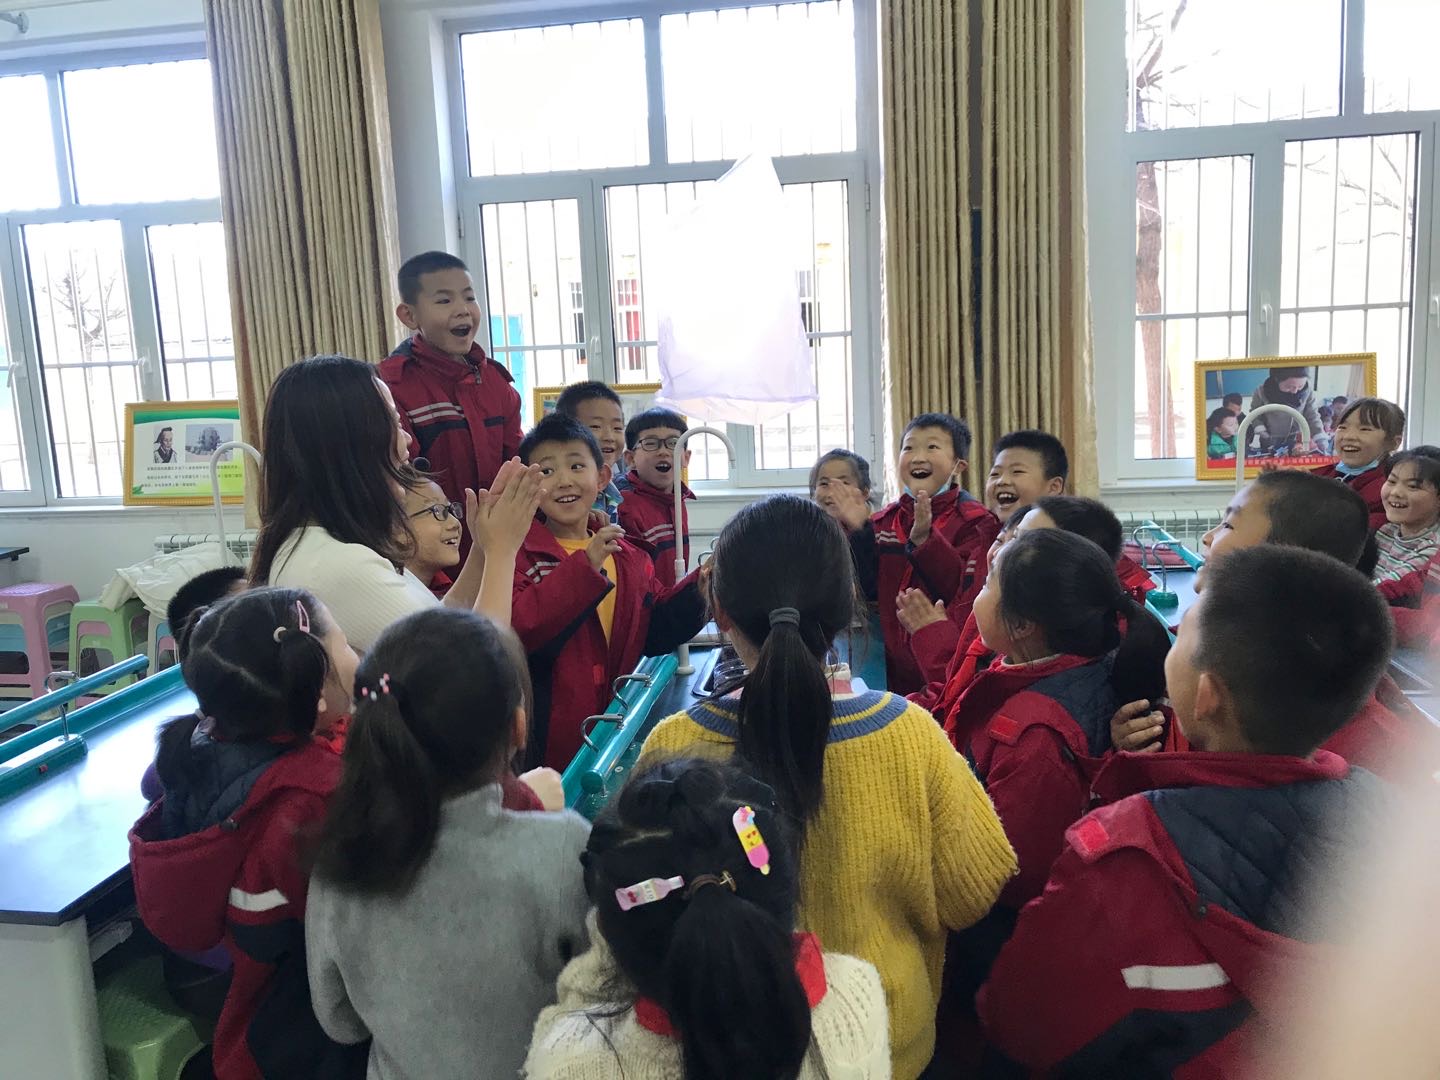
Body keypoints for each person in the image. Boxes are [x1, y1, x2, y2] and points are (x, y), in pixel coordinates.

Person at [978, 546, 1394, 1076]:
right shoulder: (1399, 821)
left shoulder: (1126, 855)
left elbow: (1020, 1020)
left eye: (1184, 639)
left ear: (1205, 695)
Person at [640, 495, 1017, 1080]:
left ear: (720, 611)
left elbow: (641, 913)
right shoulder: (910, 734)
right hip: (885, 1045)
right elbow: (975, 891)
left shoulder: (674, 744)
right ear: (846, 610)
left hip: (731, 1051)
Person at [306, 608, 590, 1080]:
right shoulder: (560, 846)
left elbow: (341, 1023)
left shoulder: (337, 861)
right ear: (518, 727)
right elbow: (599, 991)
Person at [524, 758, 891, 1080]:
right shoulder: (857, 996)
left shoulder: (568, 1063)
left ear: (614, 938)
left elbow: (566, 1027)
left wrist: (604, 943)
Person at [128, 588, 363, 1079]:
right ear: (314, 679)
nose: (357, 655)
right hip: (313, 1036)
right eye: (345, 644)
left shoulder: (205, 744)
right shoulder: (315, 800)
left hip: (250, 1003)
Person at [1113, 470, 1437, 782]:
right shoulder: (1206, 647)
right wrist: (1132, 748)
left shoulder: (1358, 740)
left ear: (1288, 556)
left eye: (1228, 524)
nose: (1207, 537)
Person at [250, 354, 540, 651]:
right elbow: (475, 663)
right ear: (352, 444)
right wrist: (503, 549)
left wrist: (482, 547)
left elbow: (439, 622)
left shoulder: (326, 546)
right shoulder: (337, 564)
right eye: (394, 423)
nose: (407, 440)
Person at [947, 528, 1171, 909]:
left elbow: (1010, 873)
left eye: (987, 584)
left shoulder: (1035, 741)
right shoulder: (1060, 661)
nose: (979, 594)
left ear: (1022, 625)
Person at [513, 415, 706, 768]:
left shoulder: (627, 555)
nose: (564, 481)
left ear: (602, 477)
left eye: (576, 466)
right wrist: (586, 565)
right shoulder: (519, 555)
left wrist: (705, 583)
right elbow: (523, 630)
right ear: (528, 483)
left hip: (617, 732)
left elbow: (655, 628)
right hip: (548, 745)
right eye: (547, 471)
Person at [837, 413, 1001, 695]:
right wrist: (858, 530)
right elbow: (866, 587)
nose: (918, 457)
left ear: (958, 465)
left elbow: (963, 591)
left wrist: (926, 541)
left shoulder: (976, 523)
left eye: (932, 447)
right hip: (894, 665)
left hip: (946, 659)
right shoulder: (885, 521)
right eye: (909, 447)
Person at [379, 251, 523, 560]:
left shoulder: (496, 382)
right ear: (409, 316)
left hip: (502, 551)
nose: (463, 310)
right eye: (444, 301)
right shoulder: (392, 387)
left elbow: (519, 463)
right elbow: (401, 483)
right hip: (428, 558)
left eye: (469, 298)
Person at [616, 408, 693, 589]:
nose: (663, 452)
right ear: (630, 458)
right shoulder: (624, 506)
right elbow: (637, 582)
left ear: (686, 457)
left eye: (673, 443)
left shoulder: (677, 498)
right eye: (650, 443)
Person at [1311, 396, 1406, 530]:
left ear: (1393, 443)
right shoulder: (1319, 475)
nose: (1348, 436)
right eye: (1342, 427)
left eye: (1364, 429)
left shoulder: (1391, 492)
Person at [555, 381, 628, 523]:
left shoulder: (614, 492)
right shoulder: (562, 491)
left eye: (617, 428)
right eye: (595, 426)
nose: (609, 437)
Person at [1372, 447, 1440, 591]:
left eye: (1413, 486)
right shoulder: (1386, 531)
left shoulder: (1433, 549)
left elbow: (1384, 589)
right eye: (1392, 481)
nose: (1396, 492)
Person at [984, 429, 1068, 524]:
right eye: (995, 474)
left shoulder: (1070, 531)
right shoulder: (979, 529)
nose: (1002, 481)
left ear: (1054, 487)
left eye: (1017, 471)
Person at [401, 476, 463, 600]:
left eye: (449, 510)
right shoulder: (393, 594)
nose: (455, 523)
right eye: (436, 511)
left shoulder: (443, 586)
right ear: (397, 528)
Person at [1248, 366, 1323, 455]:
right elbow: (1254, 414)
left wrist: (1319, 436)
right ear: (1277, 380)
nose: (1295, 391)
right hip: (1270, 439)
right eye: (1289, 387)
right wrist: (1261, 430)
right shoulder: (1262, 392)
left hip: (1297, 440)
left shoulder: (1307, 391)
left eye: (1300, 386)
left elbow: (1312, 415)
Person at [809, 447, 876, 522]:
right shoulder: (810, 522)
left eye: (843, 484)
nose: (832, 494)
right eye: (824, 483)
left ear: (864, 493)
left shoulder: (877, 527)